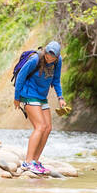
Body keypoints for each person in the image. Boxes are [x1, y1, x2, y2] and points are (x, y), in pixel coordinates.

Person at [14, 41, 68, 174]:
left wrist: (60, 98)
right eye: (48, 55)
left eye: (53, 56)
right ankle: (27, 162)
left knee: (48, 128)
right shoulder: (35, 59)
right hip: (28, 94)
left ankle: (35, 161)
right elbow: (21, 76)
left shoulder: (57, 61)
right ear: (45, 52)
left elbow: (56, 80)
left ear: (57, 56)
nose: (50, 58)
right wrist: (16, 98)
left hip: (42, 97)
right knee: (40, 126)